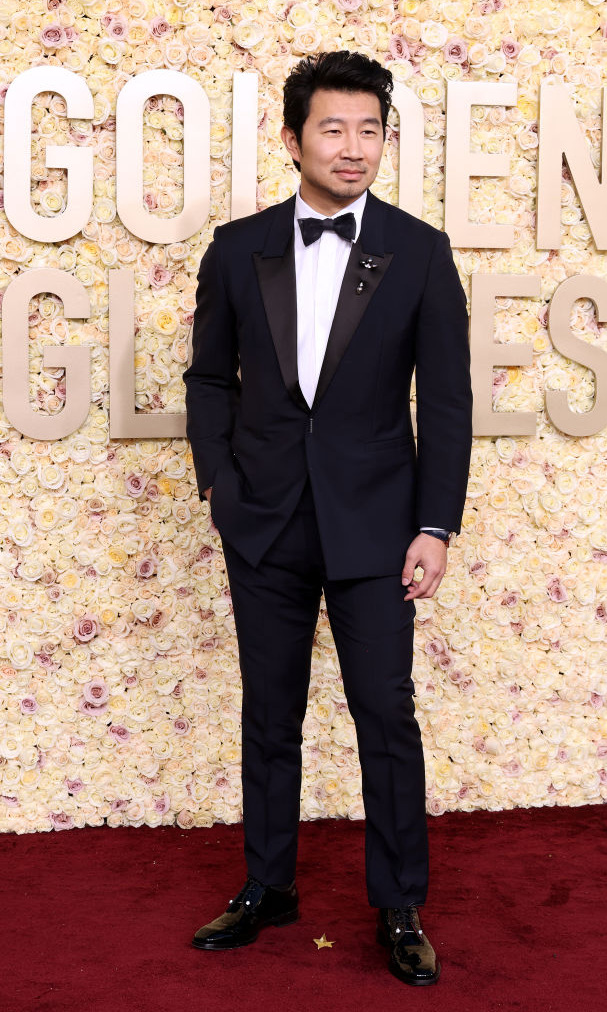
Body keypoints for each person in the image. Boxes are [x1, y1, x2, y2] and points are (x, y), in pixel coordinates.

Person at [183, 50, 472, 986]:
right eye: (334, 129)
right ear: (293, 138)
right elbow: (207, 381)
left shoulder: (420, 249)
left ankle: (398, 904)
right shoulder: (237, 248)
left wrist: (436, 525)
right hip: (261, 520)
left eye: (370, 130)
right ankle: (269, 884)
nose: (354, 149)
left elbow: (451, 400)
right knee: (270, 713)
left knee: (384, 712)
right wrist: (220, 485)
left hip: (380, 525)